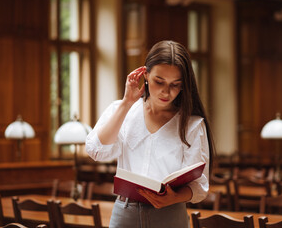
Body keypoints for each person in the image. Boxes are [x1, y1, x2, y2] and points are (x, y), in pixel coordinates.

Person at [86, 40, 215, 228]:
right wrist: (126, 103)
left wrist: (174, 198)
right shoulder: (123, 111)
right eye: (159, 81)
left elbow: (200, 186)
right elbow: (96, 150)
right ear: (145, 75)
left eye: (175, 84)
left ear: (183, 85)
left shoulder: (192, 124)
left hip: (170, 215)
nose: (166, 92)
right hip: (125, 213)